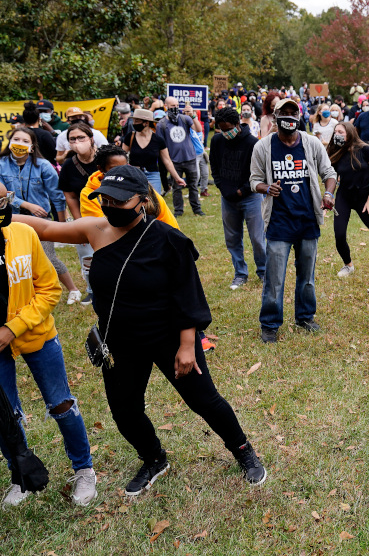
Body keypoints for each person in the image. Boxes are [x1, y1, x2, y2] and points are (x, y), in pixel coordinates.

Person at [14, 166, 266, 494]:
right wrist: (7, 214)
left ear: (143, 200)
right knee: (124, 409)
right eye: (104, 199)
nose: (110, 206)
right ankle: (154, 458)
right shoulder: (96, 229)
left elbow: (187, 295)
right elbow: (46, 227)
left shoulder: (168, 240)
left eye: (119, 201)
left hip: (168, 337)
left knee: (204, 401)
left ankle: (244, 450)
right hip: (120, 341)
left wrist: (187, 345)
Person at [0, 183, 97, 507]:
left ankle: (84, 470)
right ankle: (21, 474)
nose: (5, 207)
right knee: (6, 414)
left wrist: (13, 327)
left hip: (38, 335)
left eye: (6, 200)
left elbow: (50, 288)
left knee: (61, 404)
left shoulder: (22, 233)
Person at [250, 98, 338, 342]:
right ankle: (269, 324)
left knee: (307, 277)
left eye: (293, 113)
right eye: (283, 113)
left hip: (307, 220)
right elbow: (253, 180)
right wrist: (266, 188)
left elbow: (329, 173)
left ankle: (305, 317)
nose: (288, 117)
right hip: (279, 222)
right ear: (275, 117)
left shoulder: (311, 143)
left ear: (299, 117)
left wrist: (328, 193)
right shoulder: (263, 147)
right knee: (274, 279)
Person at [0, 127, 82, 304]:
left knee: (48, 258)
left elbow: (57, 196)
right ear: (10, 141)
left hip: (41, 220)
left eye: (25, 141)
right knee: (15, 261)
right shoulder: (1, 164)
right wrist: (26, 204)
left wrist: (62, 223)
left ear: (32, 146)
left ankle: (73, 290)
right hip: (12, 219)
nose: (20, 144)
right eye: (16, 139)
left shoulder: (43, 165)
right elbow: (3, 194)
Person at [327, 121, 369, 279]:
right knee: (339, 235)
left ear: (350, 133)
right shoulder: (336, 151)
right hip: (344, 196)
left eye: (341, 132)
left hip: (364, 199)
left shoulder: (365, 149)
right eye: (335, 132)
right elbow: (331, 176)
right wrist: (328, 196)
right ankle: (348, 265)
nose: (337, 134)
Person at [210, 107, 265, 290]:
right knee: (232, 238)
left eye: (228, 129)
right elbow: (215, 167)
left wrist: (242, 191)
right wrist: (221, 187)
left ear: (237, 124)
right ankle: (240, 274)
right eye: (221, 129)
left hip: (251, 197)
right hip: (228, 198)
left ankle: (263, 271)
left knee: (257, 237)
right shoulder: (217, 141)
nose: (225, 133)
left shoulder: (251, 143)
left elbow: (258, 172)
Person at [58, 122, 100, 305]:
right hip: (85, 218)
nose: (77, 142)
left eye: (81, 137)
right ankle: (92, 291)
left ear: (91, 138)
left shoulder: (105, 158)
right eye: (72, 139)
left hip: (110, 216)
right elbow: (70, 196)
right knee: (87, 257)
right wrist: (79, 222)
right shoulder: (68, 166)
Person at [156, 97, 203, 217]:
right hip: (174, 161)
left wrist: (193, 115)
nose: (175, 108)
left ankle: (197, 209)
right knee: (176, 187)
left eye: (177, 105)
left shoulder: (185, 118)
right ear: (166, 106)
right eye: (172, 106)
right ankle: (178, 211)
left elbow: (198, 129)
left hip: (190, 158)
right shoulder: (161, 124)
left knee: (193, 185)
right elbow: (161, 145)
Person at [123, 108, 186, 195]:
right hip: (134, 175)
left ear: (146, 123)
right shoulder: (130, 137)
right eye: (134, 121)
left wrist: (177, 178)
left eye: (137, 121)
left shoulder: (158, 140)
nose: (134, 124)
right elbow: (122, 156)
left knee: (154, 203)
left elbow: (167, 161)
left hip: (153, 175)